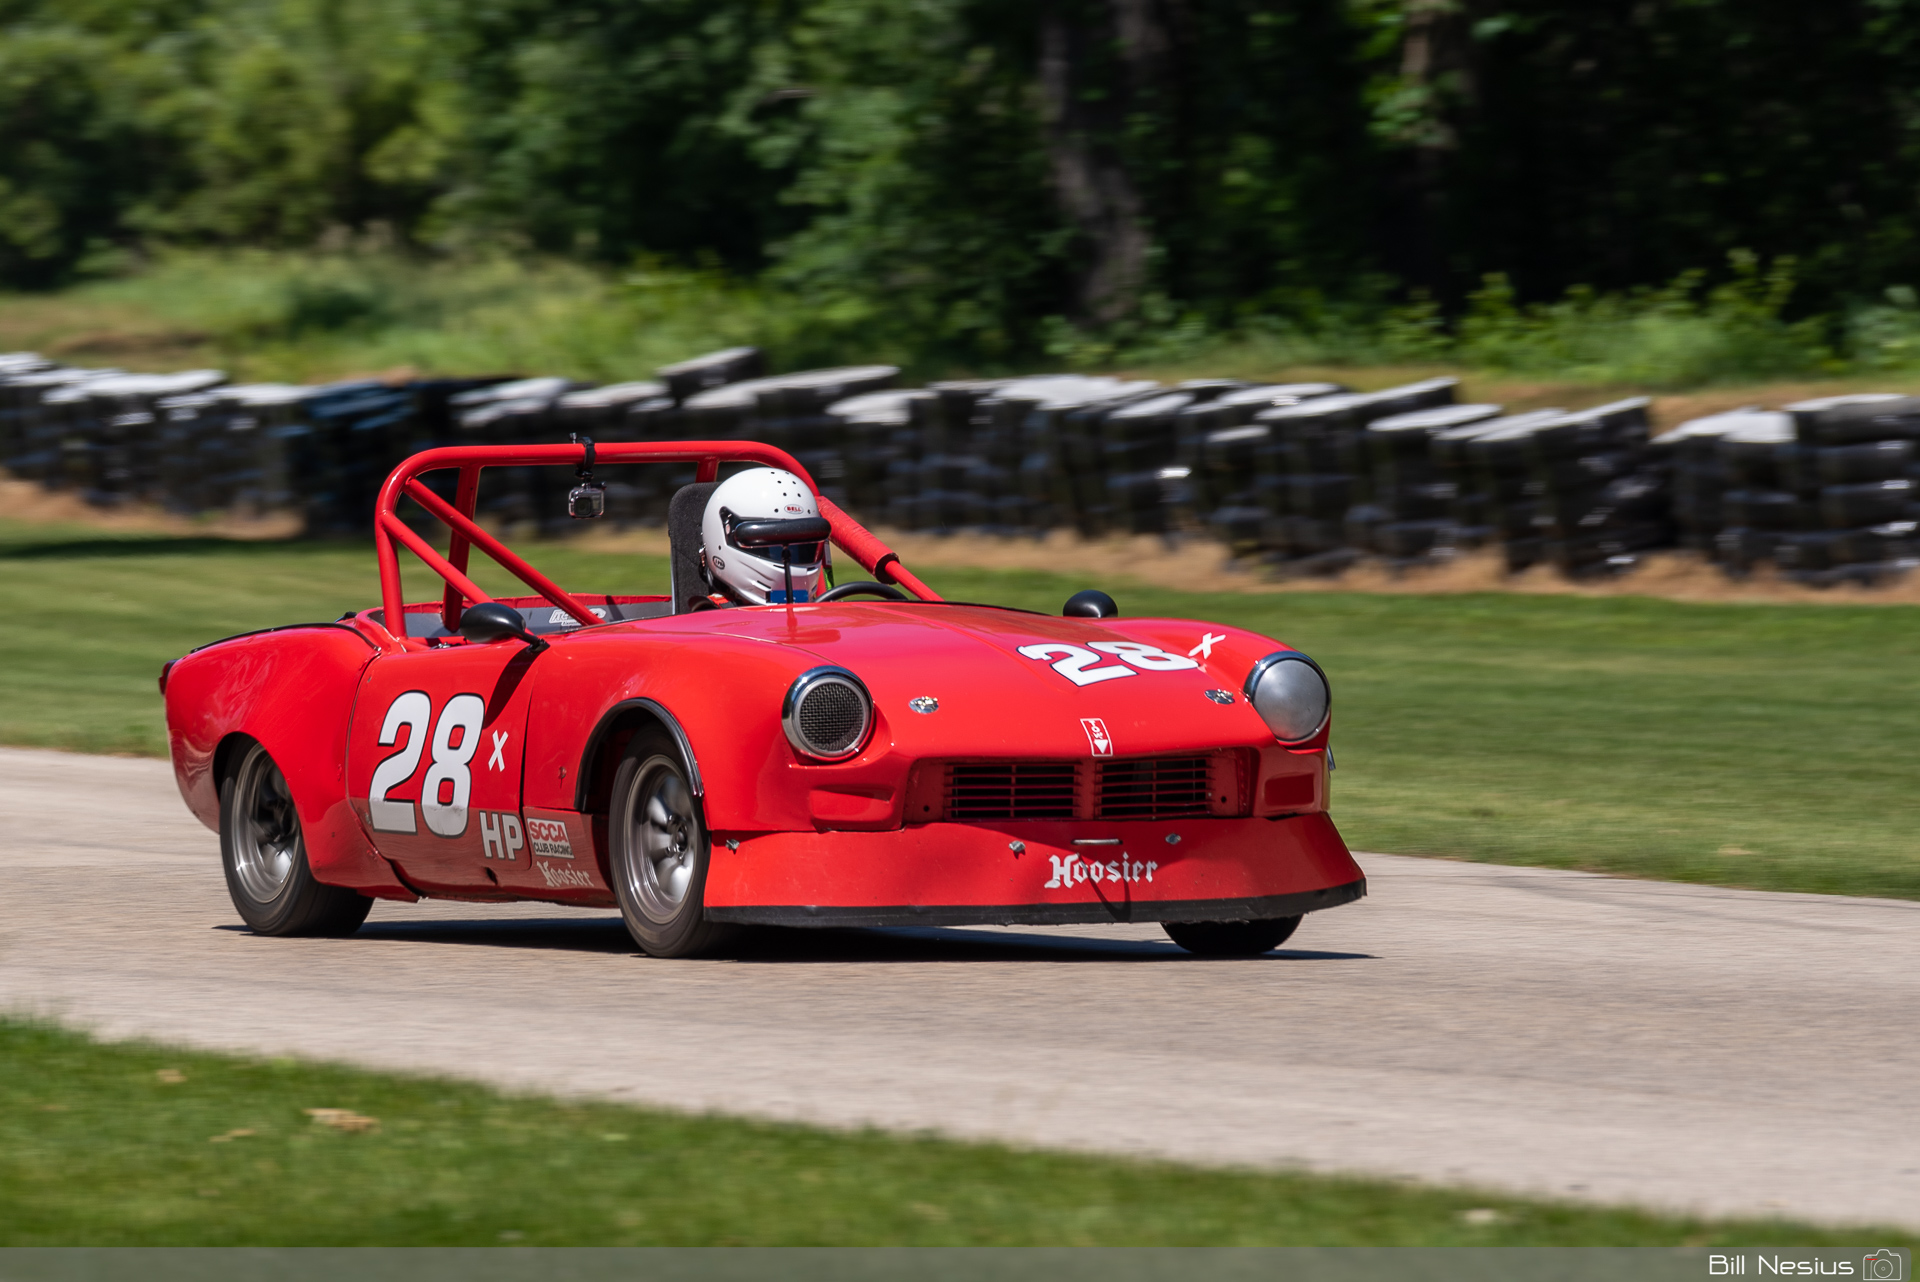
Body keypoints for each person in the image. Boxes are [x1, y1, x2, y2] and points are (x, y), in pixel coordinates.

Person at [698, 467, 828, 606]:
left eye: (801, 548)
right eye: (773, 549)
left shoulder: (827, 615)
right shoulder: (705, 620)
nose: (789, 556)